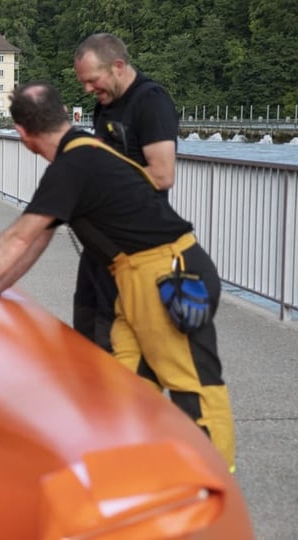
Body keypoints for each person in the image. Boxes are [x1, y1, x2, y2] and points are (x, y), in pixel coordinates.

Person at [0, 82, 235, 471]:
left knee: (191, 381)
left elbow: (20, 235)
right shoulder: (81, 154)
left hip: (167, 273)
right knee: (123, 376)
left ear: (22, 134)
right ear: (66, 114)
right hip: (133, 276)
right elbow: (38, 235)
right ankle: (138, 471)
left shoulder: (75, 165)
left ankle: (216, 482)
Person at [72, 33, 180, 354]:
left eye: (93, 80)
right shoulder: (104, 106)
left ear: (118, 66)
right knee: (86, 328)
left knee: (117, 340)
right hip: (99, 247)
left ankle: (126, 402)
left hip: (136, 248)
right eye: (84, 83)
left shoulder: (151, 101)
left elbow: (162, 175)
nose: (88, 89)